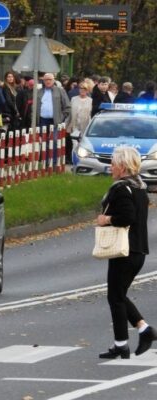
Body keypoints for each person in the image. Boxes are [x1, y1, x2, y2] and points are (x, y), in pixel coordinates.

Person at [96, 146, 154, 359]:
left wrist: (106, 219)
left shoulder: (121, 189)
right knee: (117, 295)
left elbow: (127, 217)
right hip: (138, 250)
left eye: (113, 163)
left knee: (116, 296)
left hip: (125, 251)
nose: (110, 166)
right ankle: (139, 333)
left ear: (122, 166)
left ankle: (127, 341)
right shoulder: (140, 188)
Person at [67, 82, 92, 159]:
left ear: (88, 90)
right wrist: (68, 125)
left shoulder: (90, 100)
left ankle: (83, 160)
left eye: (84, 89)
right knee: (74, 144)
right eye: (81, 88)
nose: (82, 90)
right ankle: (74, 160)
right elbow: (70, 113)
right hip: (74, 125)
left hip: (85, 126)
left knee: (83, 145)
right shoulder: (73, 99)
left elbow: (90, 114)